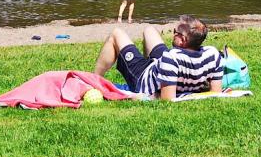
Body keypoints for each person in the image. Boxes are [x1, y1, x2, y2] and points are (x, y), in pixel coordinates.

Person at [93, 15, 224, 101]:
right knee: (149, 30)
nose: (173, 34)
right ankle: (149, 66)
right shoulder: (213, 54)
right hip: (158, 66)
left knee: (116, 34)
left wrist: (137, 96)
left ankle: (92, 81)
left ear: (182, 40)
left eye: (175, 32)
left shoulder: (171, 58)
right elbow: (216, 92)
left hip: (142, 78)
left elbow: (167, 99)